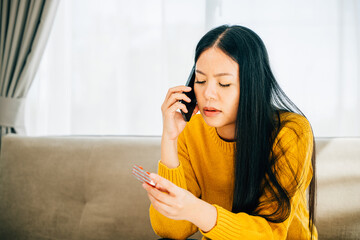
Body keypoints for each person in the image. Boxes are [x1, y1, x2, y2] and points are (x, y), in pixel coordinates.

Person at [142, 24, 317, 240]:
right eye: (201, 80)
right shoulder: (192, 130)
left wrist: (195, 209)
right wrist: (169, 140)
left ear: (253, 85)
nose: (208, 93)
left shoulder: (291, 132)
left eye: (224, 83)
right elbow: (170, 230)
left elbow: (270, 234)